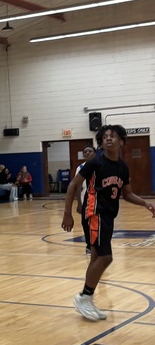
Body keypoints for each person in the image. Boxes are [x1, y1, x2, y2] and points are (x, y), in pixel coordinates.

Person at [62, 125, 155, 321]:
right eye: (105, 137)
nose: (108, 139)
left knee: (96, 257)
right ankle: (84, 296)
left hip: (108, 216)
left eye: (113, 136)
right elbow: (74, 184)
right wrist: (67, 213)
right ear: (101, 142)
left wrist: (145, 204)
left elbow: (127, 194)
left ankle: (87, 298)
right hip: (95, 212)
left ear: (121, 141)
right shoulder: (96, 161)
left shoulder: (122, 167)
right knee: (106, 257)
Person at [74, 145, 96, 253]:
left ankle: (98, 245)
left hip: (98, 201)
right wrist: (79, 203)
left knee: (97, 224)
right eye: (85, 152)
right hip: (85, 200)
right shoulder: (80, 168)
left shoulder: (100, 166)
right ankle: (89, 246)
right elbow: (77, 186)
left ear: (95, 153)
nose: (87, 153)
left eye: (89, 151)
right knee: (85, 223)